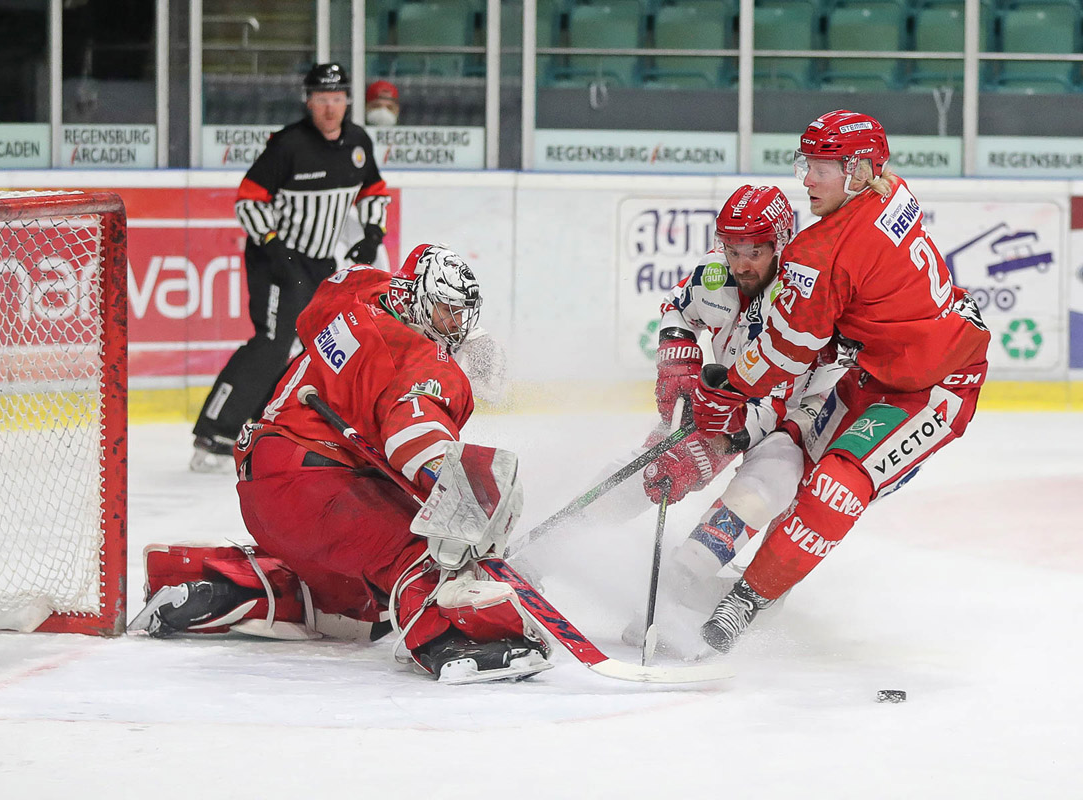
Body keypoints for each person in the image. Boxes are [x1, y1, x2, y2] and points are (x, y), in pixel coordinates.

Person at [132, 244, 552, 685]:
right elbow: (417, 443)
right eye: (447, 312)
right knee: (424, 554)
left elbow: (324, 304)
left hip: (265, 480)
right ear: (421, 301)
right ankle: (452, 640)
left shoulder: (360, 289)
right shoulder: (427, 362)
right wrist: (469, 508)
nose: (455, 325)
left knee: (359, 603)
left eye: (460, 315)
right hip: (314, 485)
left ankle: (221, 587)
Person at [690, 110, 991, 653]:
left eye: (820, 167)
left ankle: (747, 601)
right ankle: (696, 565)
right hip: (881, 371)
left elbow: (788, 349)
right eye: (806, 164)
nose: (806, 178)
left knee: (837, 483)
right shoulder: (890, 191)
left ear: (856, 169)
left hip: (937, 387)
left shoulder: (822, 251)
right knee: (786, 453)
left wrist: (731, 388)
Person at [633, 184, 844, 622]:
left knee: (770, 481)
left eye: (756, 251)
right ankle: (561, 538)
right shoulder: (714, 273)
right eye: (733, 249)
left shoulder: (801, 295)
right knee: (656, 461)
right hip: (732, 392)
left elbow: (781, 398)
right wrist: (678, 357)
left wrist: (723, 437)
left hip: (807, 409)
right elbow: (679, 308)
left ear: (781, 243)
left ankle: (684, 579)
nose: (742, 264)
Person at [191, 62, 391, 472]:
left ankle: (263, 424)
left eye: (337, 99)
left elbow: (374, 190)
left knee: (314, 346)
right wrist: (274, 247)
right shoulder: (287, 145)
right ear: (308, 101)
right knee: (273, 342)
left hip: (319, 261)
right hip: (276, 260)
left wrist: (372, 234)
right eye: (321, 99)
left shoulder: (358, 142)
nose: (330, 108)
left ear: (348, 100)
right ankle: (214, 432)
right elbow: (248, 200)